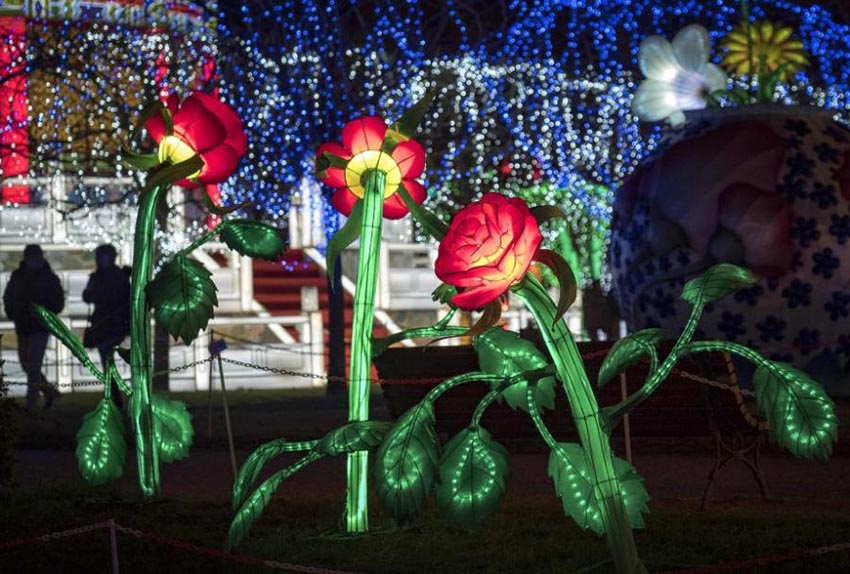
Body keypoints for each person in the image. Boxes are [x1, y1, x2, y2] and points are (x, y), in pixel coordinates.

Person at [3, 245, 64, 410]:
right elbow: (9, 296)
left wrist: (46, 314)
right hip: (23, 325)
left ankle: (32, 401)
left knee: (32, 364)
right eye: (31, 257)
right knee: (27, 364)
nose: (34, 261)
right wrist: (12, 312)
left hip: (39, 327)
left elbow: (58, 301)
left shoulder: (48, 278)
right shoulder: (19, 276)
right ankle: (50, 392)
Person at [83, 244, 131, 408]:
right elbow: (87, 297)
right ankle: (115, 397)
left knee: (114, 361)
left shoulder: (118, 276)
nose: (101, 260)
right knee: (107, 362)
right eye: (100, 256)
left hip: (116, 324)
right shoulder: (99, 277)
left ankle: (118, 397)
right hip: (104, 324)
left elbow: (127, 299)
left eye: (104, 256)